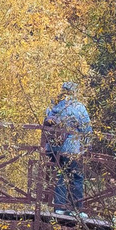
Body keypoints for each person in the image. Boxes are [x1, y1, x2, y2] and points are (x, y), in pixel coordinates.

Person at [44, 83, 91, 213]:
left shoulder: (53, 106)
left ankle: (59, 208)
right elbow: (86, 129)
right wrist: (87, 147)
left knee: (58, 176)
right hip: (72, 148)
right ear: (74, 92)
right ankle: (76, 209)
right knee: (76, 177)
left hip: (54, 147)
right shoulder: (78, 107)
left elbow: (46, 128)